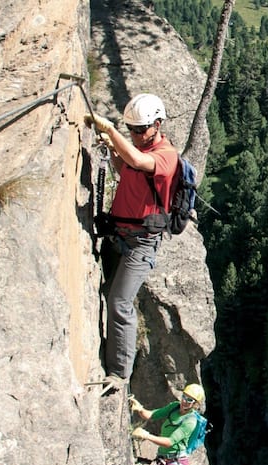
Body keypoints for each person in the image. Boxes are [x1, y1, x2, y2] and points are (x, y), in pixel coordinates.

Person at [85, 94, 180, 392]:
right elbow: (127, 168)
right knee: (107, 293)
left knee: (120, 302)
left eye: (141, 129)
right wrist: (113, 148)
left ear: (157, 125)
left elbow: (138, 162)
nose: (136, 135)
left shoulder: (165, 156)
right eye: (132, 129)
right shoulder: (139, 149)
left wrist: (112, 131)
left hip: (141, 244)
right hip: (120, 235)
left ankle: (119, 374)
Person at [130, 383, 206, 465]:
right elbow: (151, 415)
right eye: (184, 396)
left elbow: (170, 442)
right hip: (163, 460)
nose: (184, 401)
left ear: (195, 404)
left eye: (189, 400)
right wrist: (140, 409)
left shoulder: (190, 422)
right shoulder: (174, 407)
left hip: (176, 462)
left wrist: (147, 436)